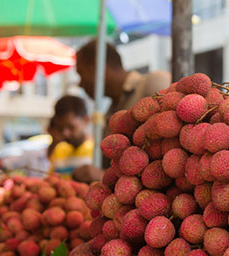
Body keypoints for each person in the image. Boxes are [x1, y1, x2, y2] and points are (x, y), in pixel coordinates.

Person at [72, 40, 172, 181]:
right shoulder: (109, 115)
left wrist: (100, 176)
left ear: (96, 67)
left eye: (81, 74)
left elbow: (171, 152)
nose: (80, 84)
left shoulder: (153, 83)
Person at [49, 95, 96, 180]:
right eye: (60, 128)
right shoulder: (58, 150)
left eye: (71, 127)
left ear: (86, 120)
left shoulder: (97, 151)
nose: (65, 133)